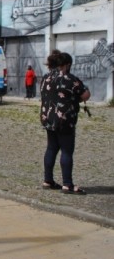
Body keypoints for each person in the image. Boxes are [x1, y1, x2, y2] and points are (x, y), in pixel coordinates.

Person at [41, 51, 90, 195]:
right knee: (67, 151)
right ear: (67, 64)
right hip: (64, 120)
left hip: (48, 118)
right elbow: (85, 95)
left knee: (51, 148)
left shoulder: (46, 78)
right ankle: (67, 184)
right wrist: (76, 99)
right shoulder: (70, 79)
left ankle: (48, 180)